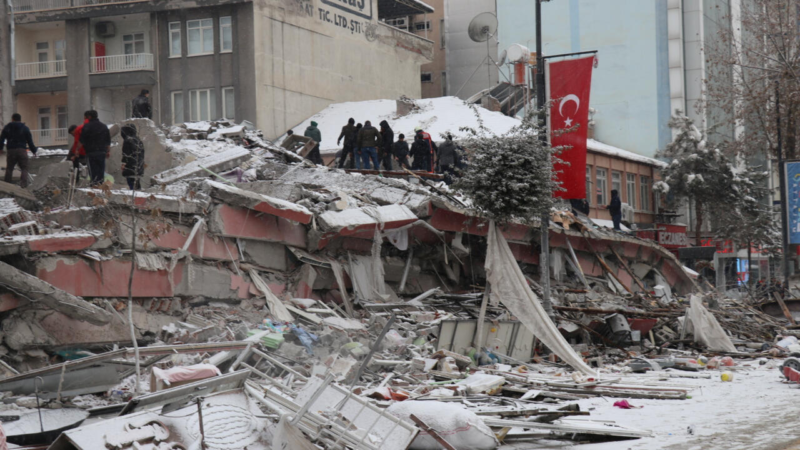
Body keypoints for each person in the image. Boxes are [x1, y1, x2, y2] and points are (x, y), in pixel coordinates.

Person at [0, 113, 37, 188]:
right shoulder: (25, 128)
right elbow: (30, 141)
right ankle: (23, 185)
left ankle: (7, 186)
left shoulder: (8, 127)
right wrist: (34, 150)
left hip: (11, 150)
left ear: (12, 119)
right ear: (20, 119)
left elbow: (2, 138)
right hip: (22, 150)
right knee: (24, 168)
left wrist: (0, 148)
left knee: (9, 168)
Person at [79, 110, 111, 187]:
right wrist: (108, 151)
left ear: (89, 117)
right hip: (102, 152)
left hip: (91, 153)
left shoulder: (86, 127)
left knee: (93, 173)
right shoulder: (104, 126)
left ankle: (94, 187)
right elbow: (108, 141)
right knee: (101, 172)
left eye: (85, 117)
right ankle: (100, 186)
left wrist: (77, 151)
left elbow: (81, 141)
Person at [121, 124, 145, 190]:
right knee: (137, 183)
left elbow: (126, 154)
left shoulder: (127, 140)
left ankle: (134, 194)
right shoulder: (138, 140)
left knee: (131, 183)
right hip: (139, 165)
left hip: (130, 166)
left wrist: (124, 164)